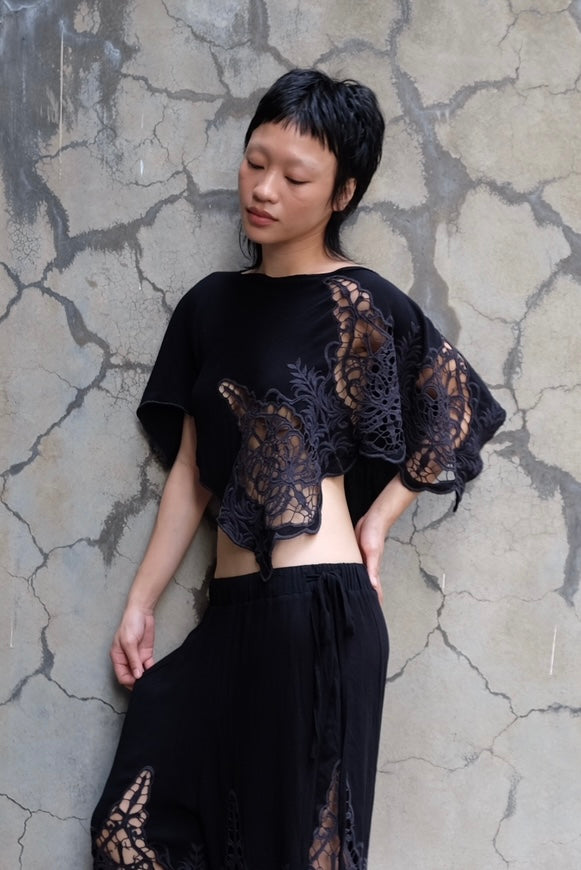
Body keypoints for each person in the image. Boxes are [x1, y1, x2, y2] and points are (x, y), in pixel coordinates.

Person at [90, 69, 505, 869]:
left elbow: (455, 407)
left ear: (342, 193)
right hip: (229, 617)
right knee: (128, 831)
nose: (263, 189)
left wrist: (378, 521)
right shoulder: (209, 305)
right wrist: (140, 602)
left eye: (295, 176)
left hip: (319, 616)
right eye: (255, 162)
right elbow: (194, 470)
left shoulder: (361, 302)